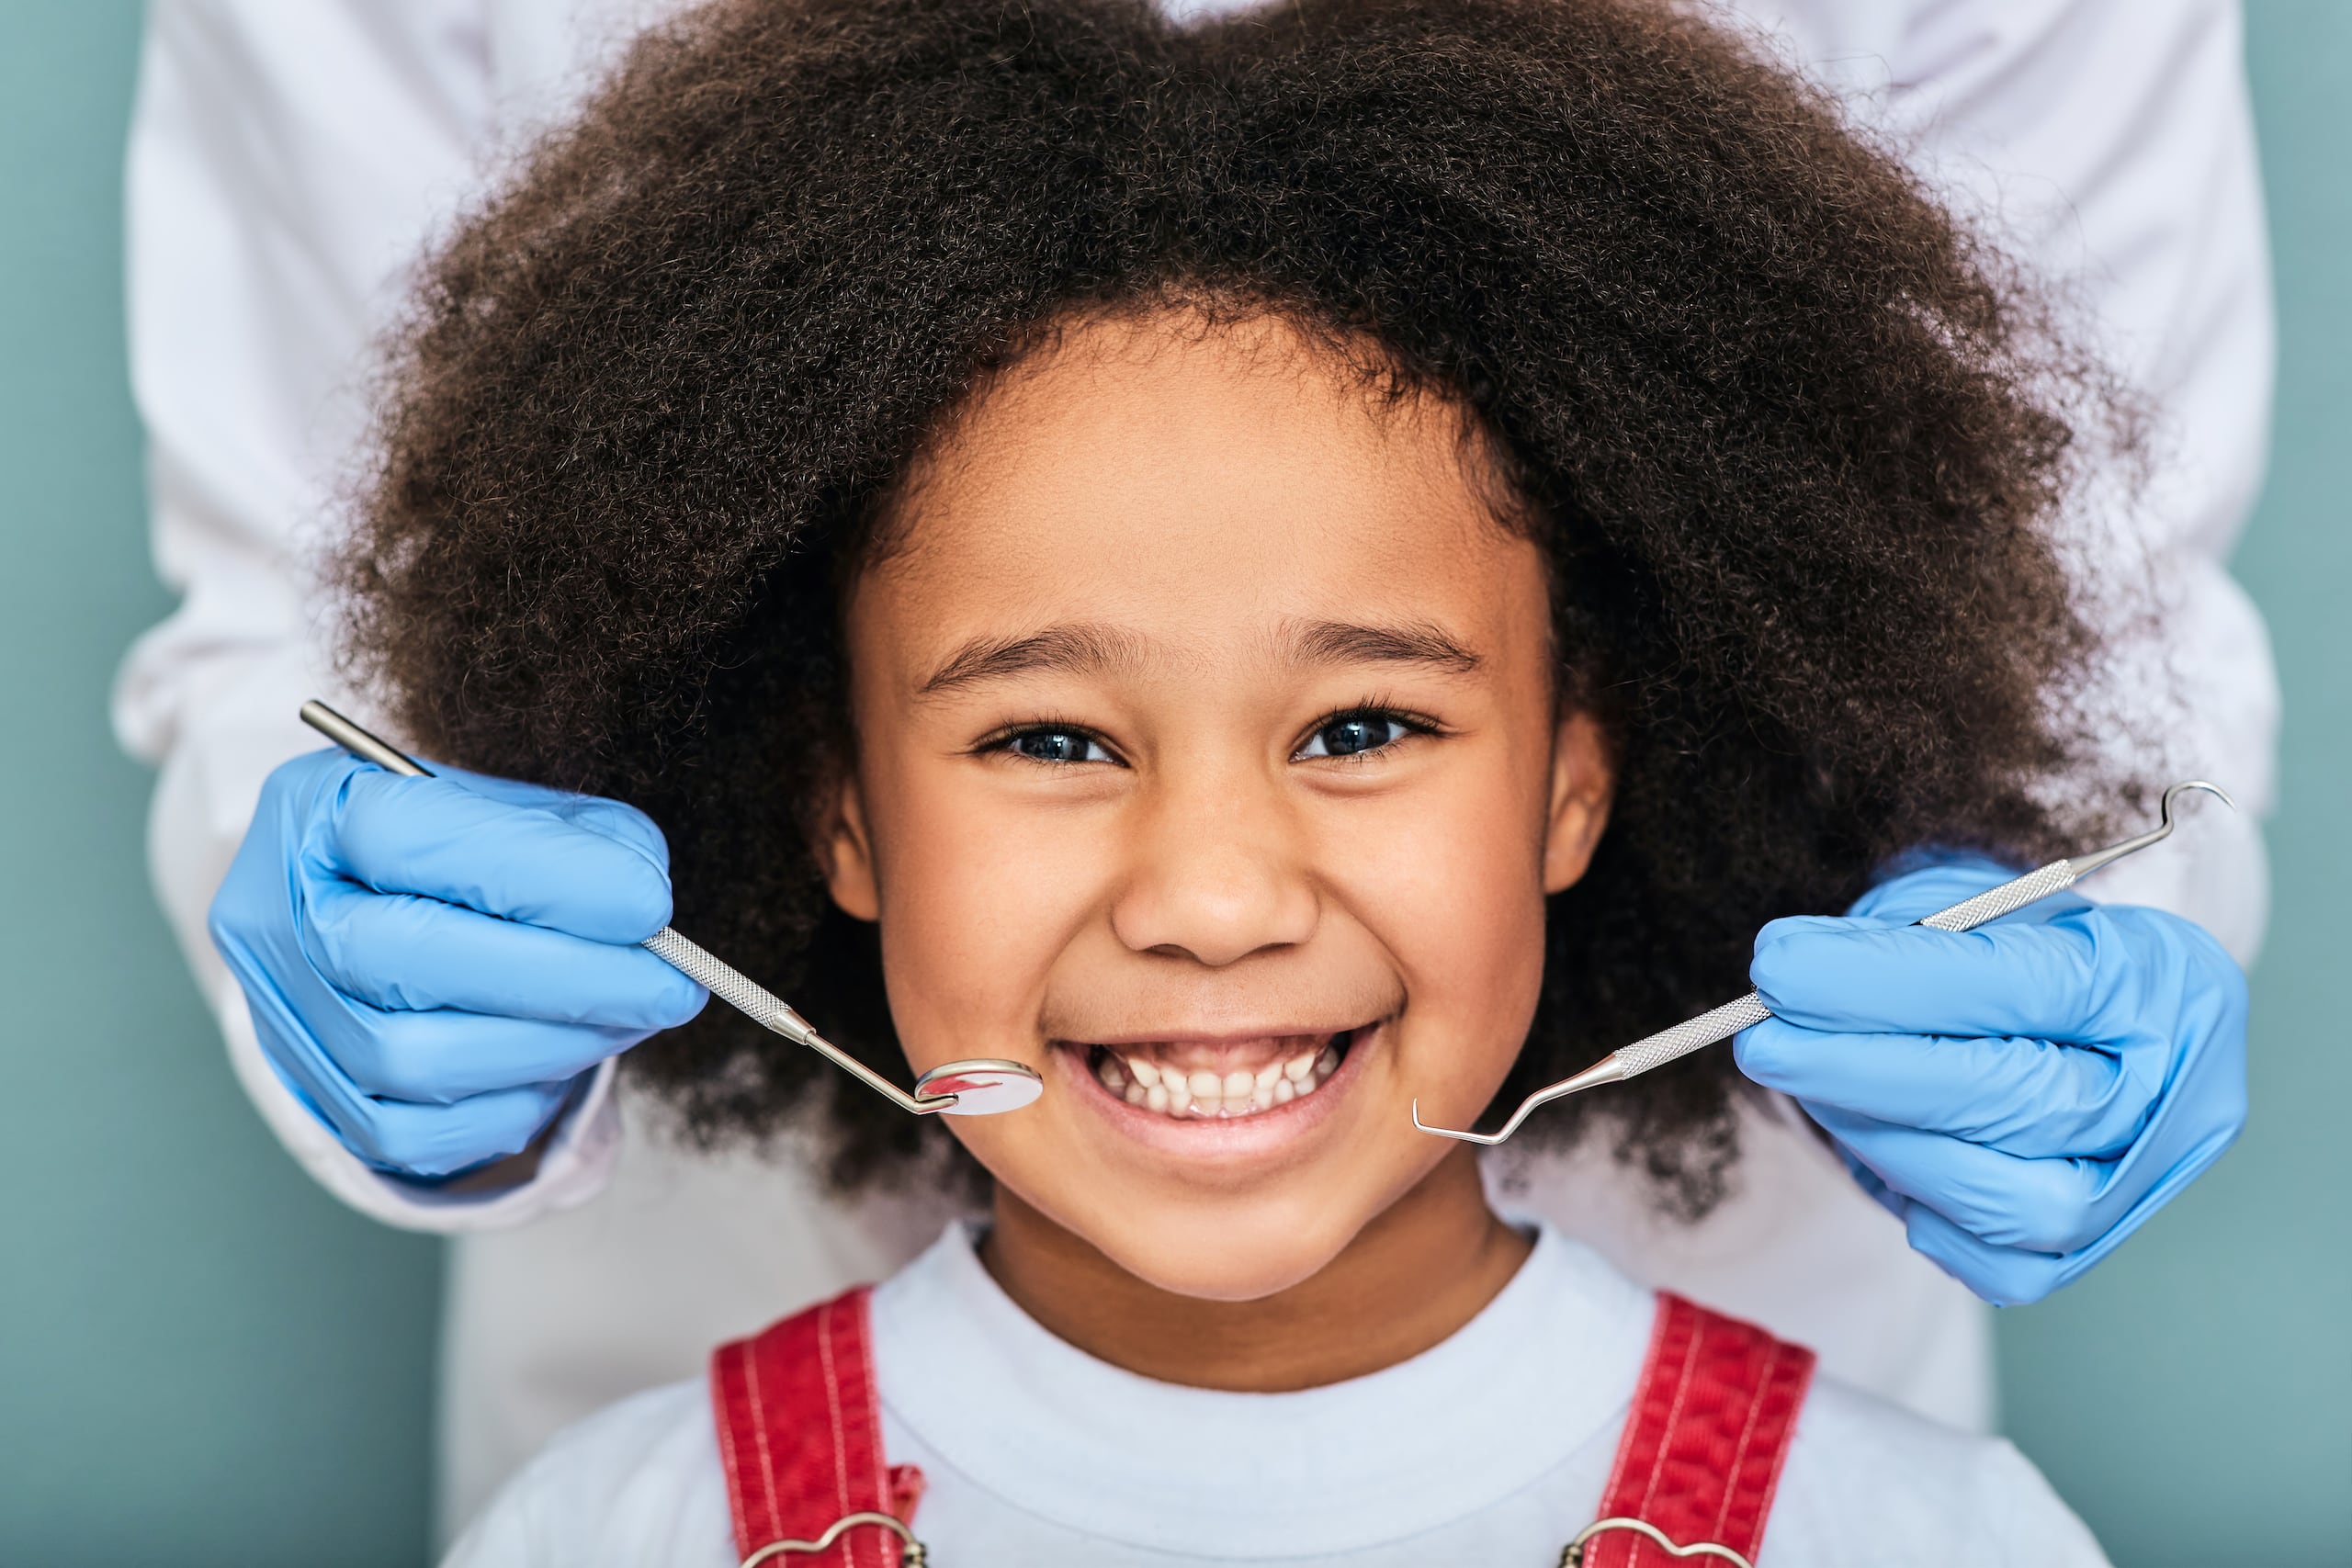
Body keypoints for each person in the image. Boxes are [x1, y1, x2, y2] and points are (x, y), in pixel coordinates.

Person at [117, 0, 2271, 1537]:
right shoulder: (625, 1522)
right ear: (831, 802)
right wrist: (386, 957)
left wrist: (2086, 921)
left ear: (1579, 773)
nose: (1215, 889)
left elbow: (2094, 620)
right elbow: (329, 585)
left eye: (1361, 725)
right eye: (1048, 734)